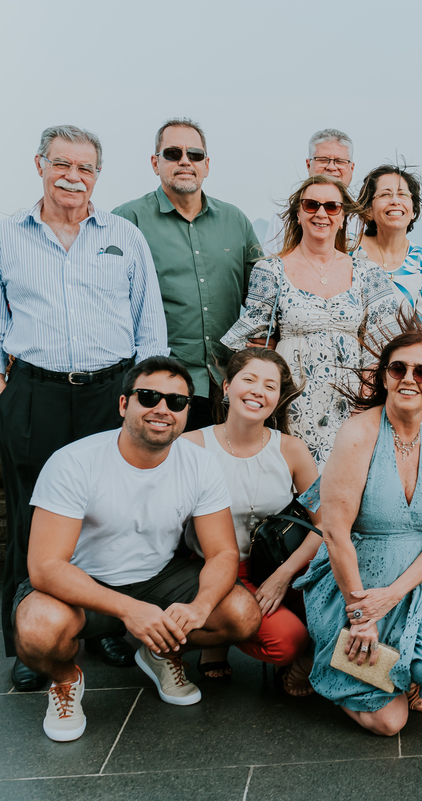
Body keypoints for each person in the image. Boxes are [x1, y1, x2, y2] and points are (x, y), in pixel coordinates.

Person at [12, 357, 260, 742]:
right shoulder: (74, 462)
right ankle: (65, 681)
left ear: (186, 413)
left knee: (241, 614)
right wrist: (131, 610)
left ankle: (160, 652)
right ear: (124, 404)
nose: (163, 409)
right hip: (82, 584)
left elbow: (223, 553)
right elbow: (46, 566)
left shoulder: (199, 464)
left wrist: (198, 607)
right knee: (37, 630)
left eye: (177, 402)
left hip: (158, 578)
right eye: (149, 397)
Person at [1, 125, 169, 691]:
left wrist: (148, 396)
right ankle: (31, 640)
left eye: (86, 168)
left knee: (109, 509)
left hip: (110, 392)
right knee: (32, 513)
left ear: (98, 174)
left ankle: (102, 627)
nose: (74, 177)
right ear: (40, 165)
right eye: (62, 164)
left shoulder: (123, 236)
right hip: (34, 390)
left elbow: (150, 322)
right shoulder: (8, 235)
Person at [294, 322, 422, 735]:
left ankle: (385, 670)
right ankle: (323, 658)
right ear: (384, 376)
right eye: (398, 369)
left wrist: (394, 594)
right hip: (351, 587)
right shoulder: (358, 434)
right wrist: (362, 615)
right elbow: (334, 533)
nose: (409, 379)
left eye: (421, 372)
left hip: (410, 587)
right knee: (390, 722)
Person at [221, 174, 400, 469]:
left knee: (348, 482)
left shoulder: (368, 272)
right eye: (311, 205)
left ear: (343, 217)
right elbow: (254, 342)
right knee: (295, 481)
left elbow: (384, 339)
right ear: (298, 214)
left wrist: (366, 397)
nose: (321, 213)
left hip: (353, 399)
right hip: (292, 398)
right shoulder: (270, 270)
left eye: (332, 207)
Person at [180, 348, 322, 694]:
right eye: (249, 379)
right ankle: (216, 635)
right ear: (227, 386)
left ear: (277, 398)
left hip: (277, 564)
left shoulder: (292, 449)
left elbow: (326, 523)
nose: (259, 390)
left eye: (270, 385)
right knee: (287, 640)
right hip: (212, 568)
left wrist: (282, 576)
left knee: (311, 632)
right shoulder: (190, 445)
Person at [114, 118, 261, 430]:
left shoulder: (236, 221)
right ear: (155, 163)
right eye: (172, 153)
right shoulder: (127, 221)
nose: (185, 161)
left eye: (194, 155)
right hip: (160, 389)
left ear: (206, 165)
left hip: (225, 385)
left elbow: (264, 295)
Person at [351, 165, 422, 327]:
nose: (395, 201)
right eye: (385, 194)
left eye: (402, 194)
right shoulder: (347, 250)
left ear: (413, 210)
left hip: (407, 352)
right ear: (368, 210)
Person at [263, 129, 357, 253]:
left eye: (340, 161)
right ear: (308, 165)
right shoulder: (282, 217)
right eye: (323, 159)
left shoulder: (365, 218)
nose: (331, 167)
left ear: (352, 167)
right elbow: (274, 262)